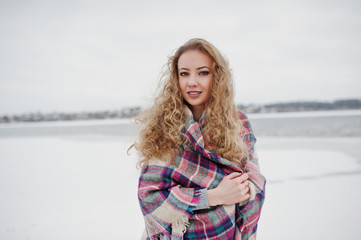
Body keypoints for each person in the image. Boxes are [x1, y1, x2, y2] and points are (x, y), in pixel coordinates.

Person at [132, 38, 266, 240]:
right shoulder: (163, 128)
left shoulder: (239, 123)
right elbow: (150, 198)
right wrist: (214, 196)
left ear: (217, 77)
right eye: (184, 73)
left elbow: (255, 180)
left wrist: (242, 190)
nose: (191, 82)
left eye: (203, 72)